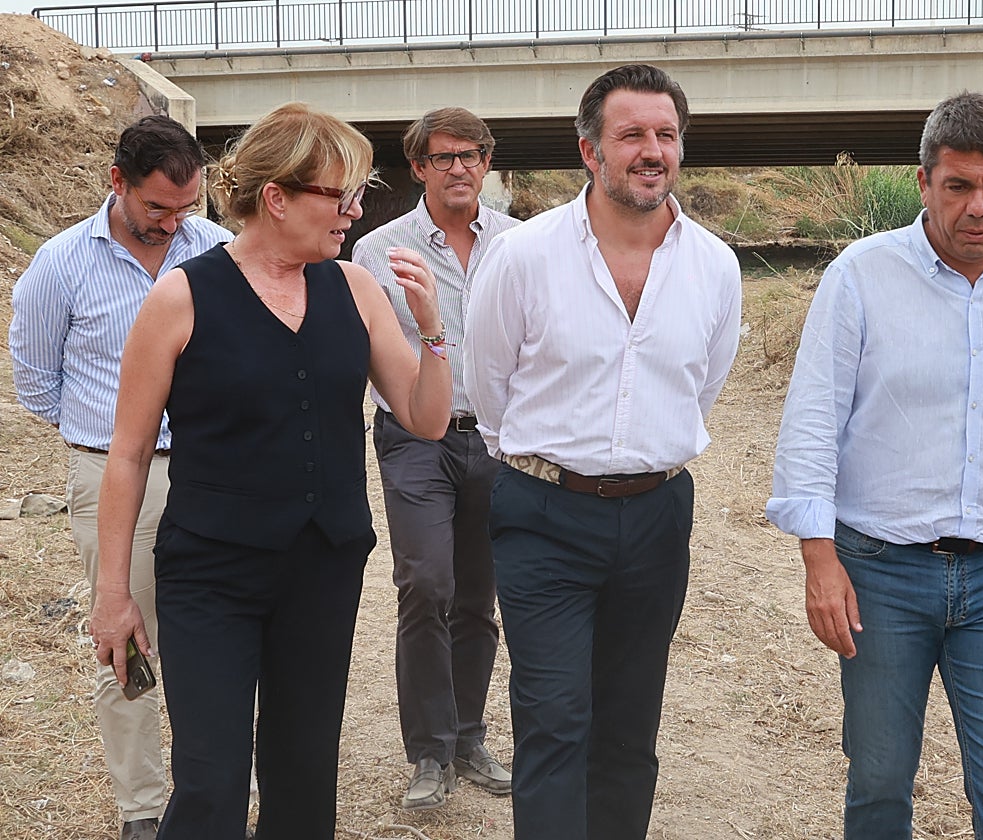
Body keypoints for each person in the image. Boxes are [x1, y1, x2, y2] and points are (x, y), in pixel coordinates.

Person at [88, 101, 452, 840]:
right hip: (209, 575)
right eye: (339, 196)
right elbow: (126, 454)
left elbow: (427, 418)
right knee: (211, 783)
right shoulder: (181, 297)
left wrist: (433, 329)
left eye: (356, 196)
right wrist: (114, 595)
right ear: (277, 198)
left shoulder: (353, 288)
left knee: (304, 774)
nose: (354, 212)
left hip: (322, 568)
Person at [765, 91, 983, 839]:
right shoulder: (860, 276)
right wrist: (817, 559)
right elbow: (812, 422)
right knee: (881, 784)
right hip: (880, 572)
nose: (978, 208)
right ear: (925, 182)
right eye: (959, 186)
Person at [464, 64, 742, 840]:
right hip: (543, 514)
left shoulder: (715, 266)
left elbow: (702, 385)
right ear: (590, 151)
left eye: (665, 135)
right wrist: (548, 468)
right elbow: (489, 390)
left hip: (656, 515)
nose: (652, 151)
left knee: (629, 729)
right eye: (632, 136)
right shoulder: (523, 257)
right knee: (554, 721)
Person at [9, 115, 232, 840]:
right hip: (111, 477)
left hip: (213, 476)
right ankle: (141, 808)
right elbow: (38, 384)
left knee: (223, 635)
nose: (171, 224)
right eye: (155, 208)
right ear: (117, 182)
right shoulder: (60, 262)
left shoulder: (221, 254)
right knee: (125, 642)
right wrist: (106, 444)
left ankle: (226, 783)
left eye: (185, 209)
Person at [351, 107, 518, 810]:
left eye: (472, 154)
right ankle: (428, 752)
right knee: (426, 582)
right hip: (415, 437)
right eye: (444, 157)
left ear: (487, 163)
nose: (459, 167)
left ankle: (469, 736)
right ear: (418, 167)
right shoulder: (377, 252)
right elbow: (379, 355)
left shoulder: (521, 243)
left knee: (479, 595)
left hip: (500, 441)